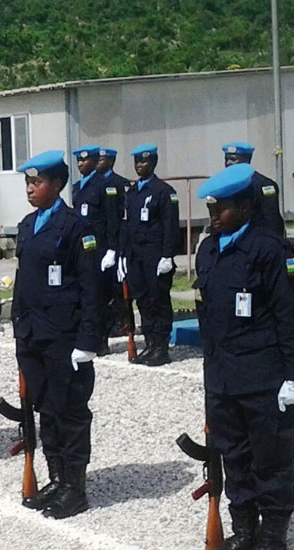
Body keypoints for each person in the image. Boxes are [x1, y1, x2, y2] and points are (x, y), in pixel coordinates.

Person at [195, 163, 294, 550]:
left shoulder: (271, 251)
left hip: (262, 375)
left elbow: (288, 316)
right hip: (221, 376)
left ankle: (272, 534)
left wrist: (291, 375)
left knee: (271, 457)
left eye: (222, 209)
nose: (214, 217)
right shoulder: (208, 250)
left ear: (246, 208)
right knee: (233, 455)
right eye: (211, 209)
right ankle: (245, 527)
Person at [11, 150, 100, 520]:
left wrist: (88, 342)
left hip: (64, 336)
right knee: (45, 409)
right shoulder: (28, 224)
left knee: (70, 412)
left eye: (37, 182)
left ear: (58, 184)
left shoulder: (76, 227)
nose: (30, 189)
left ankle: (75, 488)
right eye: (28, 183)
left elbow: (92, 287)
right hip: (32, 335)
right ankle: (57, 477)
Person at [117, 143, 179, 366]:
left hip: (155, 255)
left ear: (153, 163)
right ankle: (150, 343)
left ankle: (161, 347)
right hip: (136, 256)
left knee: (158, 300)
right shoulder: (132, 192)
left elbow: (170, 225)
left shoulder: (164, 192)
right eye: (136, 162)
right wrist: (122, 254)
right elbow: (126, 224)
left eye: (144, 162)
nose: (139, 166)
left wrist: (167, 255)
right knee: (142, 299)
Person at [71, 145, 119, 355]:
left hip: (100, 248)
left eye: (85, 161)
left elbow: (112, 219)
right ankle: (88, 335)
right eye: (79, 161)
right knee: (85, 293)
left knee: (100, 295)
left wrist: (112, 249)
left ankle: (102, 339)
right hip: (83, 248)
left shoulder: (105, 185)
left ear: (94, 161)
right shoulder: (77, 187)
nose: (81, 164)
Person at [96, 147, 131, 337]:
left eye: (101, 160)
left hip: (115, 241)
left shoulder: (119, 183)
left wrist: (117, 247)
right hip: (96, 243)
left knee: (117, 285)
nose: (97, 162)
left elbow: (121, 218)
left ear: (110, 161)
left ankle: (122, 321)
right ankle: (108, 322)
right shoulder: (89, 185)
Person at [222, 142, 285, 237]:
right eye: (226, 159)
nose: (228, 163)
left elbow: (272, 218)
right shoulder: (224, 186)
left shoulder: (265, 185)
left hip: (258, 239)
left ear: (246, 160)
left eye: (233, 159)